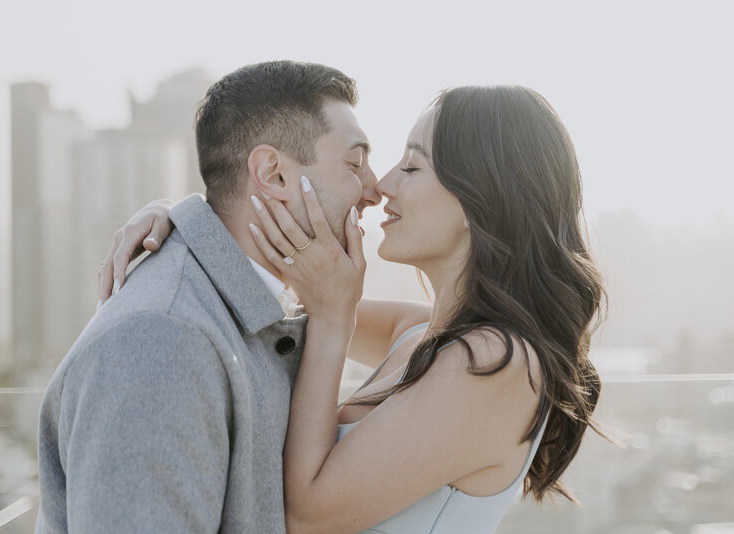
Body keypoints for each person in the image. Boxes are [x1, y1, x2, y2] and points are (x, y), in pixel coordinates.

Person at [101, 85, 607, 533]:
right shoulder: (417, 333)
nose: (383, 184)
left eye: (412, 166)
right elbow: (282, 285)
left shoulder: (496, 364)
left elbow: (305, 516)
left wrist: (333, 320)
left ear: (483, 203)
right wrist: (183, 216)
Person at [35, 60, 383, 533]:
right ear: (273, 175)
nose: (374, 190)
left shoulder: (233, 310)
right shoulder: (162, 342)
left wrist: (333, 314)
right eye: (355, 163)